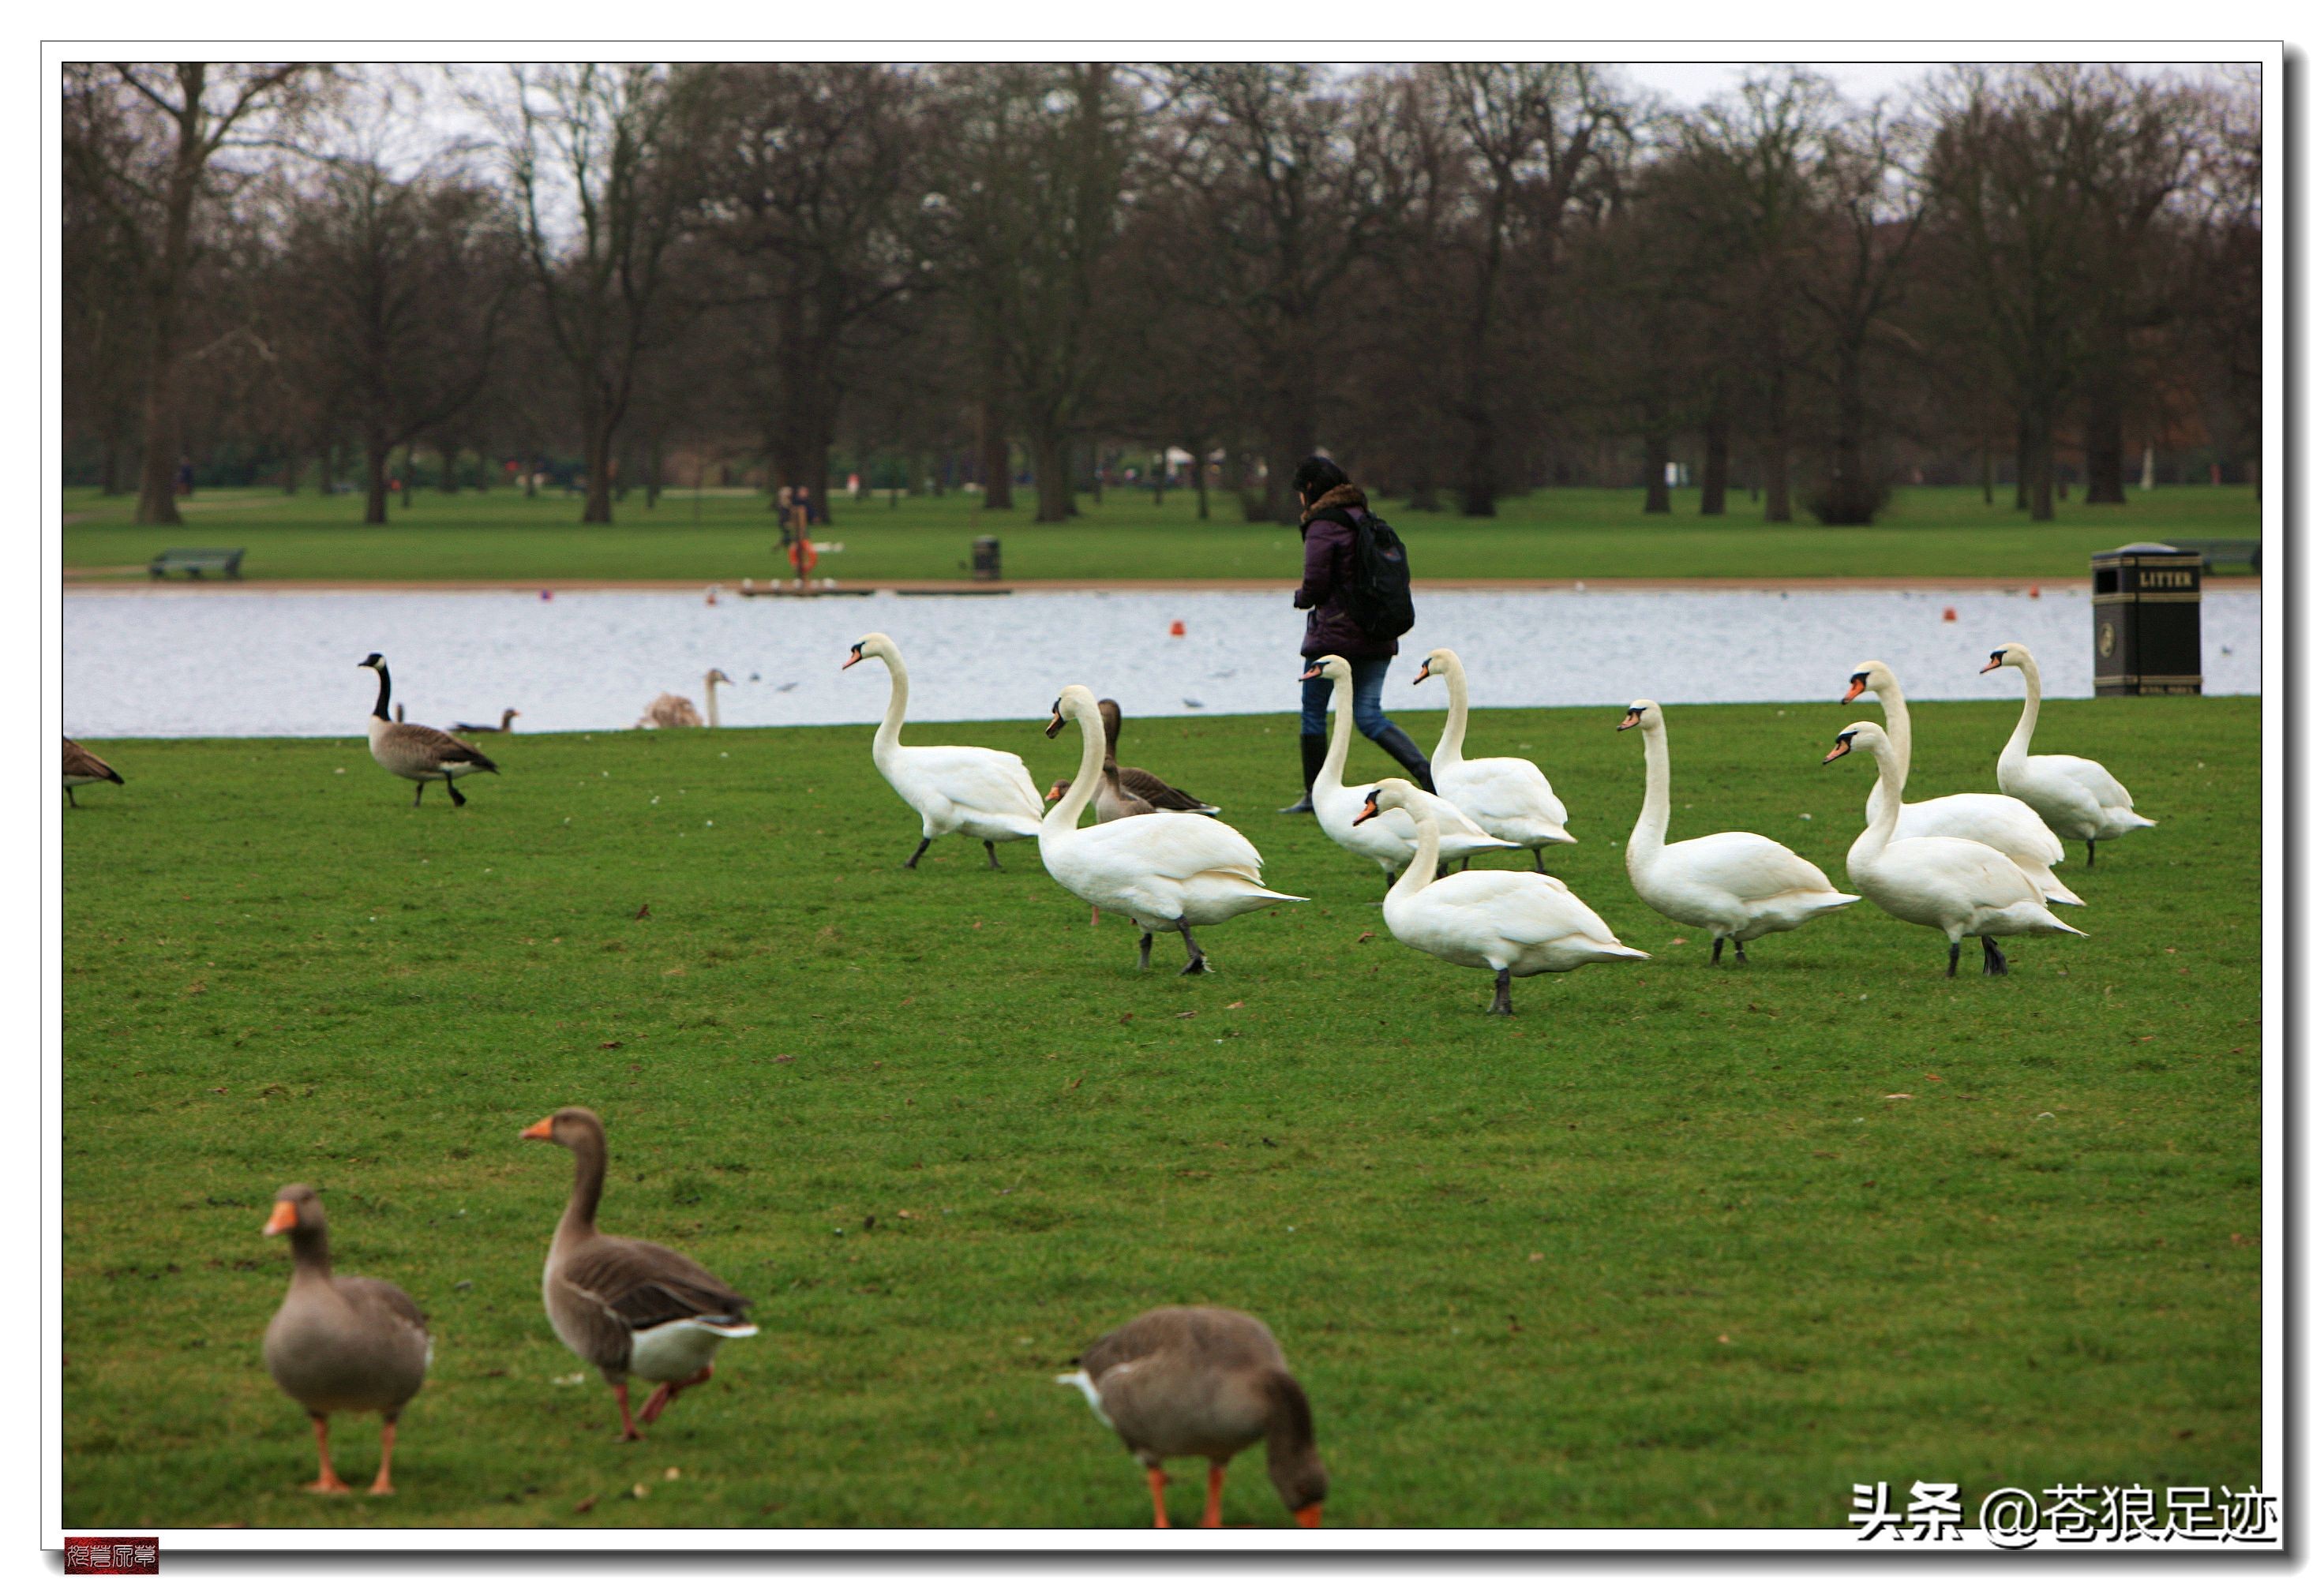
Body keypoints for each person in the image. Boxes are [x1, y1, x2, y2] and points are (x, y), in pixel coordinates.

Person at [1283, 455, 1434, 812]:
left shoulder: (1323, 524)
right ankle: (1427, 775)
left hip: (1334, 635)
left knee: (1313, 712)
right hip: (1377, 632)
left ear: (1309, 489)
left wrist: (1300, 599)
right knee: (1368, 714)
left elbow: (1316, 584)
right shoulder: (1364, 518)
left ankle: (1314, 795)